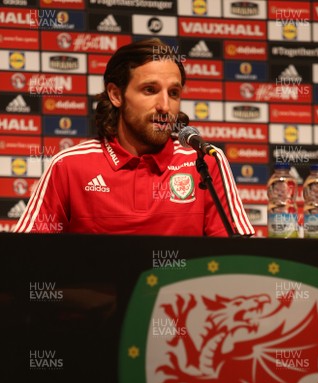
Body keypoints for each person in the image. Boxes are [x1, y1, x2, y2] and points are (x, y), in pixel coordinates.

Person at [15, 37, 254, 237]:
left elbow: (236, 261)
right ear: (116, 95)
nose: (164, 106)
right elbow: (24, 258)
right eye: (150, 90)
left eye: (173, 93)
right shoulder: (69, 166)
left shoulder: (204, 161)